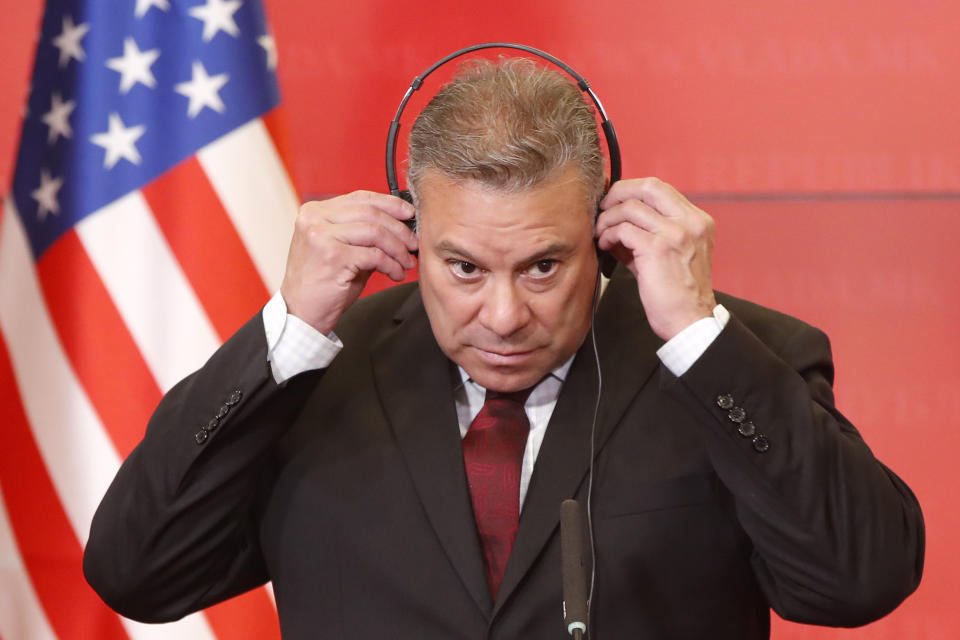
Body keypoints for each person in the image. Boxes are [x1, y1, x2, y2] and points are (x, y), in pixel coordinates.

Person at [84, 58, 924, 639]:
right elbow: (140, 572)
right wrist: (289, 330)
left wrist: (700, 337)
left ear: (605, 234)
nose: (503, 314)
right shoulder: (320, 372)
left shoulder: (736, 360)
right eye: (463, 267)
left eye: (543, 266)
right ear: (410, 231)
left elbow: (858, 583)